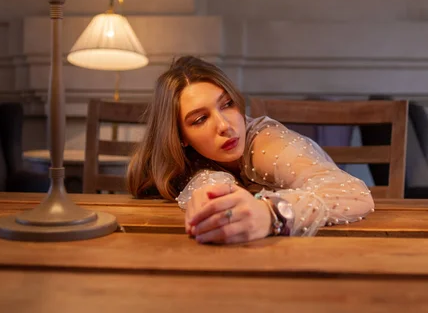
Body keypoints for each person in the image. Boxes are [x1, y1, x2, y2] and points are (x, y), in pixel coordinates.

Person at [128, 56, 374, 244]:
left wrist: (271, 213)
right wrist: (207, 191)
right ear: (180, 137)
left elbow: (355, 194)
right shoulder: (188, 159)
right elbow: (206, 185)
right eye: (201, 119)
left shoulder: (268, 144)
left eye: (227, 104)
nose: (224, 125)